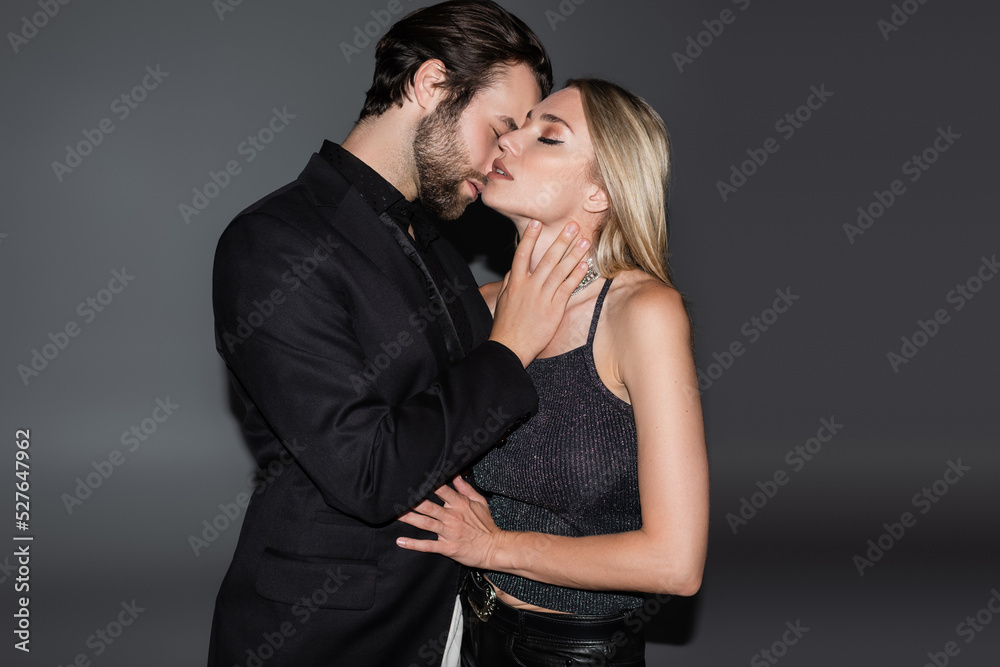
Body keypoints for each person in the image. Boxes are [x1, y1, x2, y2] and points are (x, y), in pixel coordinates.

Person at [207, 3, 592, 665]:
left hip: (451, 620)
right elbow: (369, 473)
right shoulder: (271, 242)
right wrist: (509, 348)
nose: (503, 158)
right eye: (499, 129)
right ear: (431, 84)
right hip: (324, 636)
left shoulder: (438, 247)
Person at [396, 79, 710, 666]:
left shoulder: (642, 313)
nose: (509, 140)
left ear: (599, 192)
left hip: (574, 654)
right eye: (518, 125)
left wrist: (494, 548)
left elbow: (675, 562)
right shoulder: (478, 307)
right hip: (463, 632)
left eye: (549, 136)